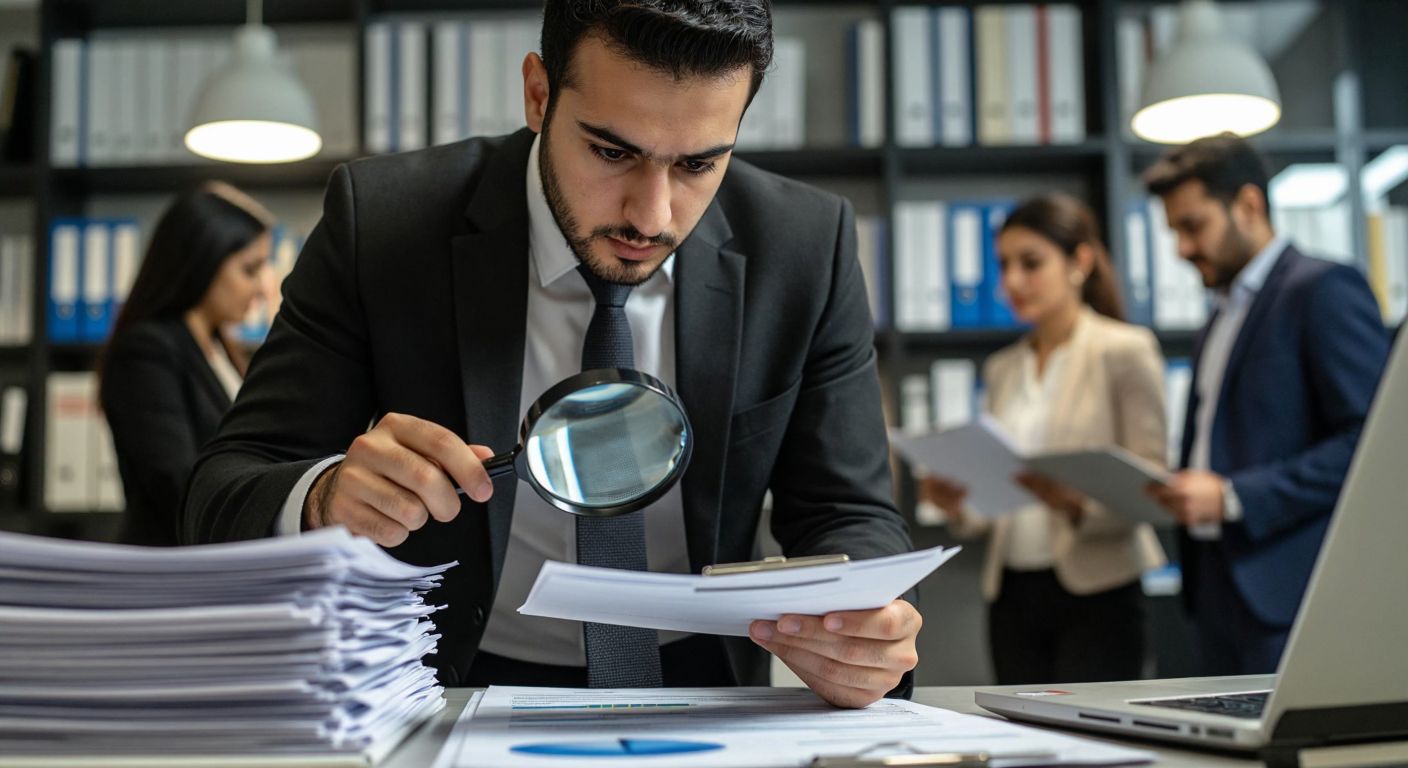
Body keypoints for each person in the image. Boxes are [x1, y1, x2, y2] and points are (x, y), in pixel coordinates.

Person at [183, 0, 918, 708]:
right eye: (611, 151)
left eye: (698, 164)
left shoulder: (804, 246)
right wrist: (323, 498)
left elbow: (847, 509)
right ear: (538, 95)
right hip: (442, 679)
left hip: (705, 678)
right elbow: (224, 487)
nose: (651, 216)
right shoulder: (381, 224)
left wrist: (867, 623)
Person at [1141, 134, 1390, 675]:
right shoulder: (1219, 315)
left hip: (1294, 595)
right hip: (1215, 587)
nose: (1181, 248)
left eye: (1193, 226)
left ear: (1248, 205)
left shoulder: (1324, 289)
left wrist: (1234, 497)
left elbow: (1373, 449)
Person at [920, 194, 1167, 685]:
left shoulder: (1124, 351)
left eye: (1030, 263)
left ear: (1081, 261)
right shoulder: (1002, 368)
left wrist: (1076, 505)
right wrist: (958, 502)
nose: (1012, 281)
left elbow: (1153, 485)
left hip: (1099, 590)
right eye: (1004, 265)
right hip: (1012, 593)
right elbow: (997, 494)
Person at [98, 182, 274, 546]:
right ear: (203, 261)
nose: (261, 289)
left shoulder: (223, 348)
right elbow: (176, 484)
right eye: (249, 269)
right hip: (174, 566)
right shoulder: (146, 350)